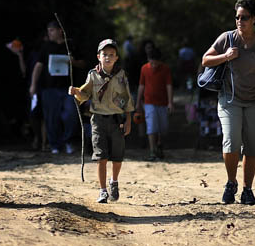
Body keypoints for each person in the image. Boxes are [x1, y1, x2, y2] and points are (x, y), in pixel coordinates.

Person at [202, 0, 255, 205]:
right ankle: (231, 183)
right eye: (237, 17)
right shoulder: (227, 39)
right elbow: (205, 60)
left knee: (252, 147)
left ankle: (247, 189)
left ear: (254, 19)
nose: (239, 21)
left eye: (245, 17)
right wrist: (225, 56)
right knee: (231, 142)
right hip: (230, 99)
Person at [69, 39, 135, 203]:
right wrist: (75, 91)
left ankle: (114, 181)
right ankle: (103, 190)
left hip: (116, 120)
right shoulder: (93, 74)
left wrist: (128, 120)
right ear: (98, 56)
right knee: (101, 156)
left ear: (116, 58)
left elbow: (127, 99)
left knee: (117, 157)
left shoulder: (121, 75)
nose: (108, 57)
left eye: (111, 55)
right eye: (105, 54)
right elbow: (85, 94)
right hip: (98, 119)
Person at [30, 21, 81, 155]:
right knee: (51, 117)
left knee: (71, 114)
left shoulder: (70, 45)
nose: (49, 33)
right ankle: (55, 145)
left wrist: (73, 62)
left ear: (60, 31)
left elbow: (83, 63)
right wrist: (33, 85)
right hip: (49, 88)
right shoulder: (46, 47)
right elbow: (38, 66)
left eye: (52, 30)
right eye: (48, 31)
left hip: (68, 88)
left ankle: (68, 141)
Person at [137, 45, 173, 160]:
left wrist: (170, 102)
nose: (154, 66)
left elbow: (169, 86)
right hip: (148, 102)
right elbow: (141, 85)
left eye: (156, 63)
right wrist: (138, 101)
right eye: (152, 63)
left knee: (163, 128)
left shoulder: (166, 69)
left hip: (163, 102)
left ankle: (159, 146)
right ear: (148, 60)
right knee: (151, 127)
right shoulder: (144, 69)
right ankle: (152, 151)